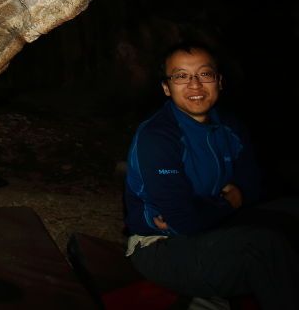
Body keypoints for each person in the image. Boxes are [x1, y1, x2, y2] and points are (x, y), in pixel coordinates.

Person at [124, 41, 299, 309]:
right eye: (181, 76)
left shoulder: (230, 127)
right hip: (160, 246)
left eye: (204, 74)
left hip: (213, 229)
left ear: (219, 81)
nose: (194, 85)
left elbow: (254, 186)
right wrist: (229, 201)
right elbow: (182, 221)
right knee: (264, 246)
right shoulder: (157, 137)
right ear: (166, 87)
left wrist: (219, 206)